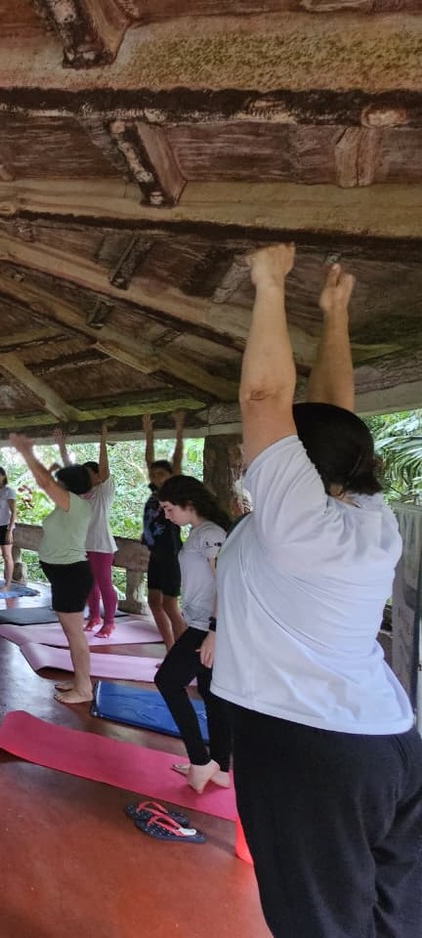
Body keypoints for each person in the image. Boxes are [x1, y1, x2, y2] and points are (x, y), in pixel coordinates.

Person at [214, 245, 422, 937]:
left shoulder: (296, 525)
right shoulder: (364, 513)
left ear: (302, 469)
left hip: (308, 748)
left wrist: (269, 283)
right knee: (393, 918)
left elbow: (265, 396)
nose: (252, 455)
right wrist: (335, 315)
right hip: (386, 742)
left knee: (320, 925)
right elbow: (336, 415)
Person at [151, 474, 232, 794]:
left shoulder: (211, 533)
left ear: (188, 504)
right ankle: (221, 767)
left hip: (206, 626)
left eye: (170, 509)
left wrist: (215, 631)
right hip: (205, 623)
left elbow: (227, 582)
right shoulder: (200, 531)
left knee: (167, 681)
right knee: (212, 693)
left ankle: (201, 759)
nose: (168, 516)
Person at [12, 433, 94, 704]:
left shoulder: (76, 505)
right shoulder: (70, 506)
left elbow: (45, 481)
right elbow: (48, 480)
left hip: (71, 574)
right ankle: (80, 679)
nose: (53, 487)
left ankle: (84, 689)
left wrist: (26, 451)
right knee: (72, 633)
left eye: (60, 484)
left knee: (75, 633)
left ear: (67, 487)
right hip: (65, 574)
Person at [59, 424, 117, 637]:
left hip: (101, 544)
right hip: (83, 545)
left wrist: (103, 437)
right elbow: (69, 469)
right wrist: (61, 445)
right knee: (89, 584)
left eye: (88, 473)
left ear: (97, 475)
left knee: (104, 583)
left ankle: (109, 622)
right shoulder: (82, 492)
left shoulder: (104, 490)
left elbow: (104, 466)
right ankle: (95, 617)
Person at [142, 412, 187, 648]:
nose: (156, 477)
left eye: (161, 474)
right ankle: (171, 650)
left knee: (170, 604)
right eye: (154, 474)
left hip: (171, 553)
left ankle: (183, 652)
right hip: (156, 555)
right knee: (153, 601)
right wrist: (148, 432)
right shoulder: (154, 493)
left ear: (170, 476)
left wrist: (179, 428)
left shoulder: (174, 493)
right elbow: (149, 460)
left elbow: (177, 459)